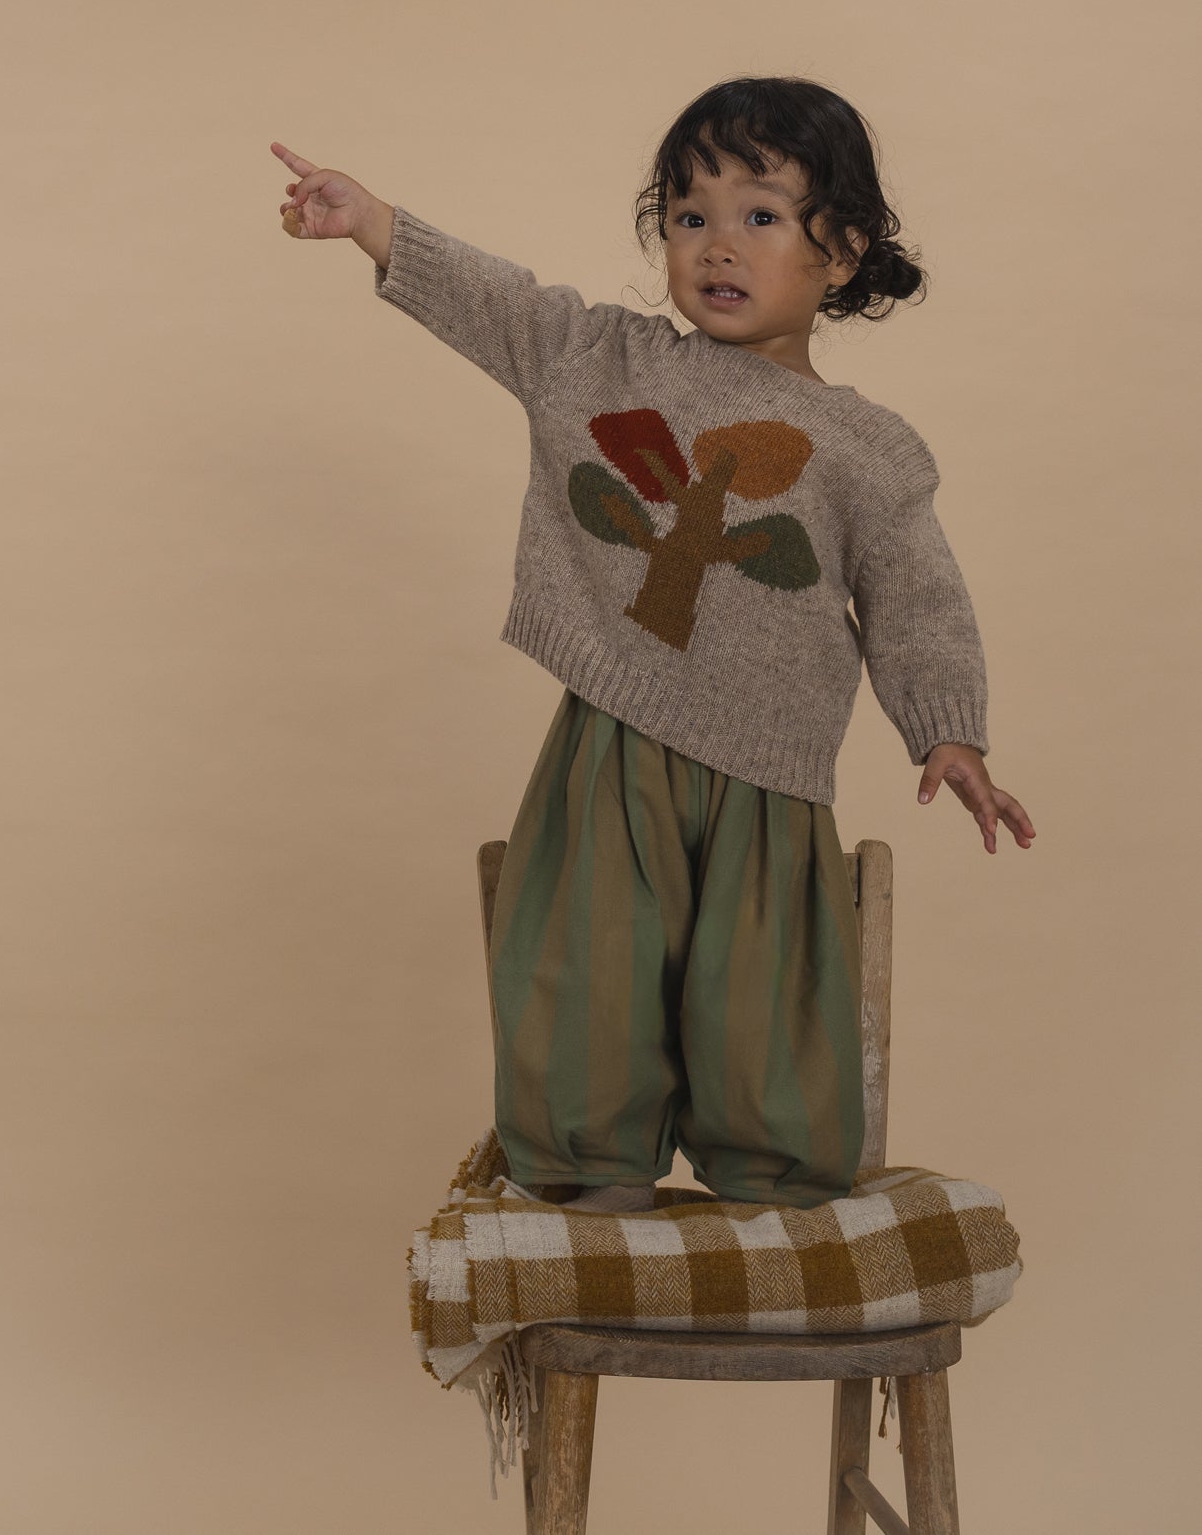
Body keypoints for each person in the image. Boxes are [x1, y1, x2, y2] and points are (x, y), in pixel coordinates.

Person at [269, 75, 1035, 1216]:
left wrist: (949, 732)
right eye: (688, 215)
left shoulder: (870, 449)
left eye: (760, 214)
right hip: (611, 747)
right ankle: (591, 1185)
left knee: (761, 999)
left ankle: (772, 1194)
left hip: (768, 773)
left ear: (841, 251)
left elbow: (916, 598)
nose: (717, 244)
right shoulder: (604, 362)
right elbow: (500, 301)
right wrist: (373, 222)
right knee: (588, 970)